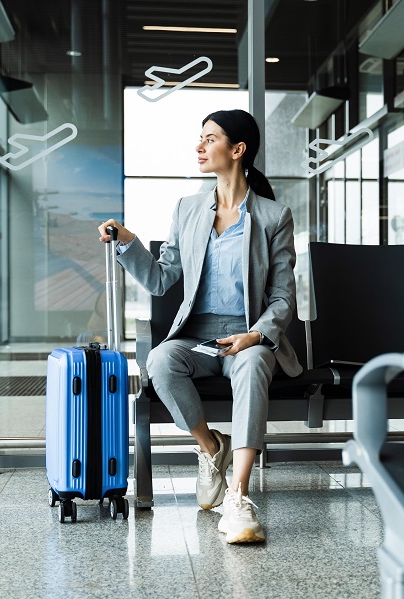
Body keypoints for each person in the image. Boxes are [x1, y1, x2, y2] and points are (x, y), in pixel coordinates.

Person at [98, 108, 302, 544]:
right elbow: (160, 278)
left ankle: (239, 495)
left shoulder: (272, 216)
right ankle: (212, 448)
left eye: (209, 139)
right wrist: (127, 241)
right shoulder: (188, 210)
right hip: (198, 338)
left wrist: (254, 335)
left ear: (237, 150)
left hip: (249, 337)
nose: (199, 147)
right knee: (161, 360)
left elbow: (284, 297)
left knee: (251, 366)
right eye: (202, 139)